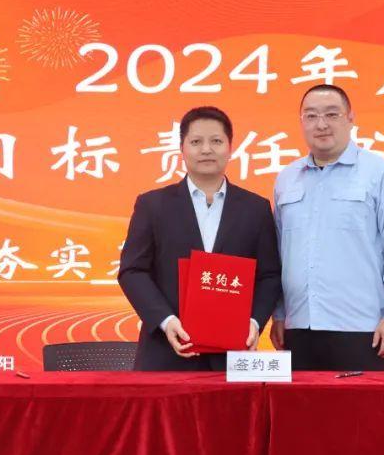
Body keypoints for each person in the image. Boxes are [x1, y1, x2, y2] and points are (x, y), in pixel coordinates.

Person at [119, 106, 281, 371]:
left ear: (230, 148)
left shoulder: (256, 208)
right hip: (166, 354)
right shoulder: (153, 205)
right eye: (196, 142)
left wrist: (254, 322)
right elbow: (132, 271)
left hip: (233, 356)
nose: (206, 149)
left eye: (216, 141)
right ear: (182, 149)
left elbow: (270, 275)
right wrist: (165, 321)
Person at [269, 84, 384, 370]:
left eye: (332, 114)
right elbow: (279, 252)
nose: (321, 124)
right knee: (299, 401)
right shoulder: (287, 178)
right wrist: (279, 314)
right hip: (298, 327)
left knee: (359, 402)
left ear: (350, 118)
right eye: (311, 116)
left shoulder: (381, 173)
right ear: (301, 122)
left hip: (361, 328)